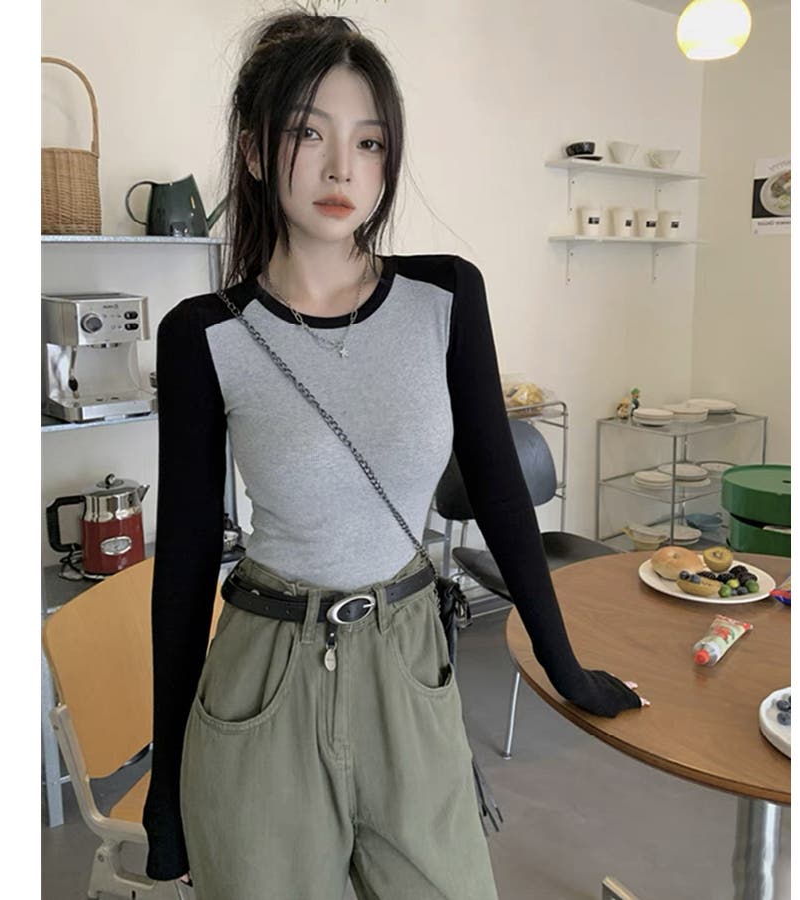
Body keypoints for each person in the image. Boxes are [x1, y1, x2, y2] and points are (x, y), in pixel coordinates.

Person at [142, 7, 648, 899]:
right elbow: (182, 566)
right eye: (308, 134)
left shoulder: (444, 297)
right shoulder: (204, 335)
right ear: (255, 152)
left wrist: (562, 664)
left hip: (410, 658)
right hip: (264, 678)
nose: (343, 169)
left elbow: (498, 490)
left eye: (370, 142)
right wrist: (165, 796)